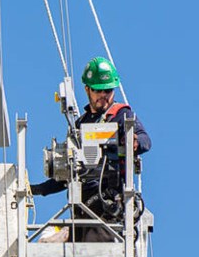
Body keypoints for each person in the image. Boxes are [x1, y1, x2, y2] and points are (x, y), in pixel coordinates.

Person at [30, 57, 151, 218]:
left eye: (108, 90)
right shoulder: (81, 124)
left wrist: (134, 141)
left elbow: (145, 140)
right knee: (54, 236)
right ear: (87, 89)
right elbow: (68, 170)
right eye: (98, 90)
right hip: (82, 202)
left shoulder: (121, 115)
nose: (103, 95)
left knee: (94, 232)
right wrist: (39, 189)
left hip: (109, 196)